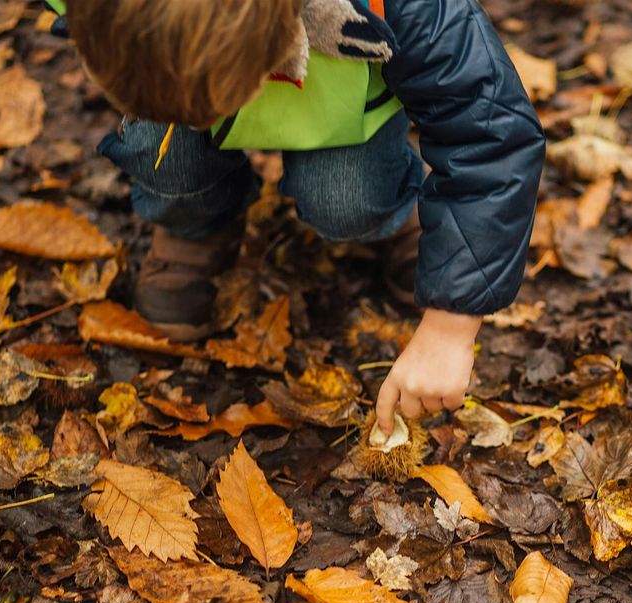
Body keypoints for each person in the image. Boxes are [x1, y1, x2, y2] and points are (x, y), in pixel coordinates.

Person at [43, 0, 545, 433]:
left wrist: (449, 329)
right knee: (161, 146)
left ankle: (387, 214)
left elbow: (491, 136)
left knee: (347, 200)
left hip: (336, 95)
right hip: (173, 60)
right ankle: (194, 223)